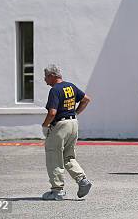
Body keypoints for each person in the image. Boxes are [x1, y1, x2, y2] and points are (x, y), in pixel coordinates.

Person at [41, 64, 92, 201]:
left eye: (46, 77)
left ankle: (57, 191)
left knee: (54, 156)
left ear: (52, 76)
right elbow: (86, 99)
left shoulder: (55, 90)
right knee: (68, 156)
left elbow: (52, 112)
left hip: (60, 126)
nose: (45, 80)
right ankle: (82, 180)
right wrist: (75, 113)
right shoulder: (71, 86)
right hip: (73, 123)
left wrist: (45, 125)